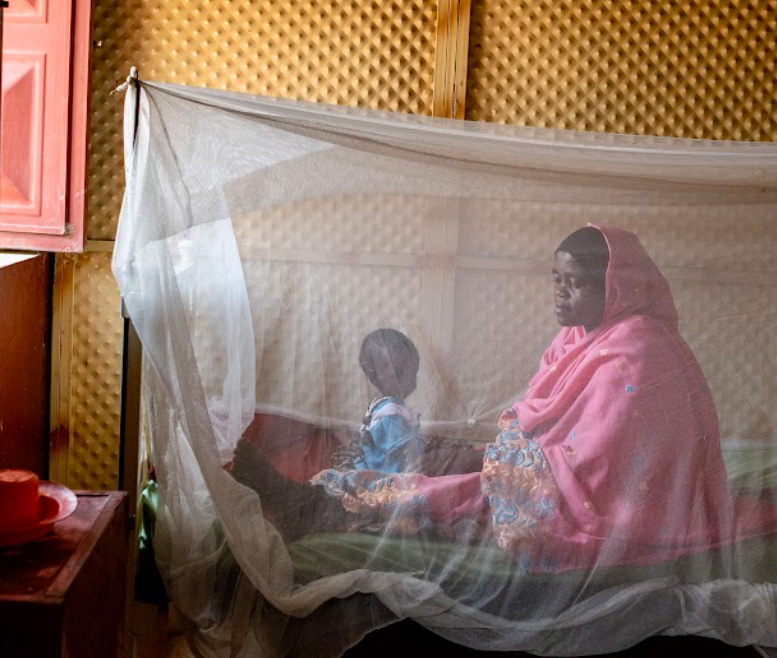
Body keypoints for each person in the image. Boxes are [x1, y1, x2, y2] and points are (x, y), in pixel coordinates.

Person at [231, 224, 772, 569]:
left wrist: (511, 467)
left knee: (460, 494)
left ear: (617, 287)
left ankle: (320, 508)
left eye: (576, 283)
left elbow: (601, 463)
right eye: (555, 279)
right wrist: (506, 453)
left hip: (603, 503)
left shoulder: (639, 349)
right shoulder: (582, 335)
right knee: (462, 471)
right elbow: (543, 417)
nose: (560, 294)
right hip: (563, 472)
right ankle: (325, 502)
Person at [331, 328, 425, 474]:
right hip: (389, 471)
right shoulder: (391, 412)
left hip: (375, 462)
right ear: (374, 377)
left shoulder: (381, 402)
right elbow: (404, 452)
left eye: (413, 372)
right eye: (399, 374)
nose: (409, 379)